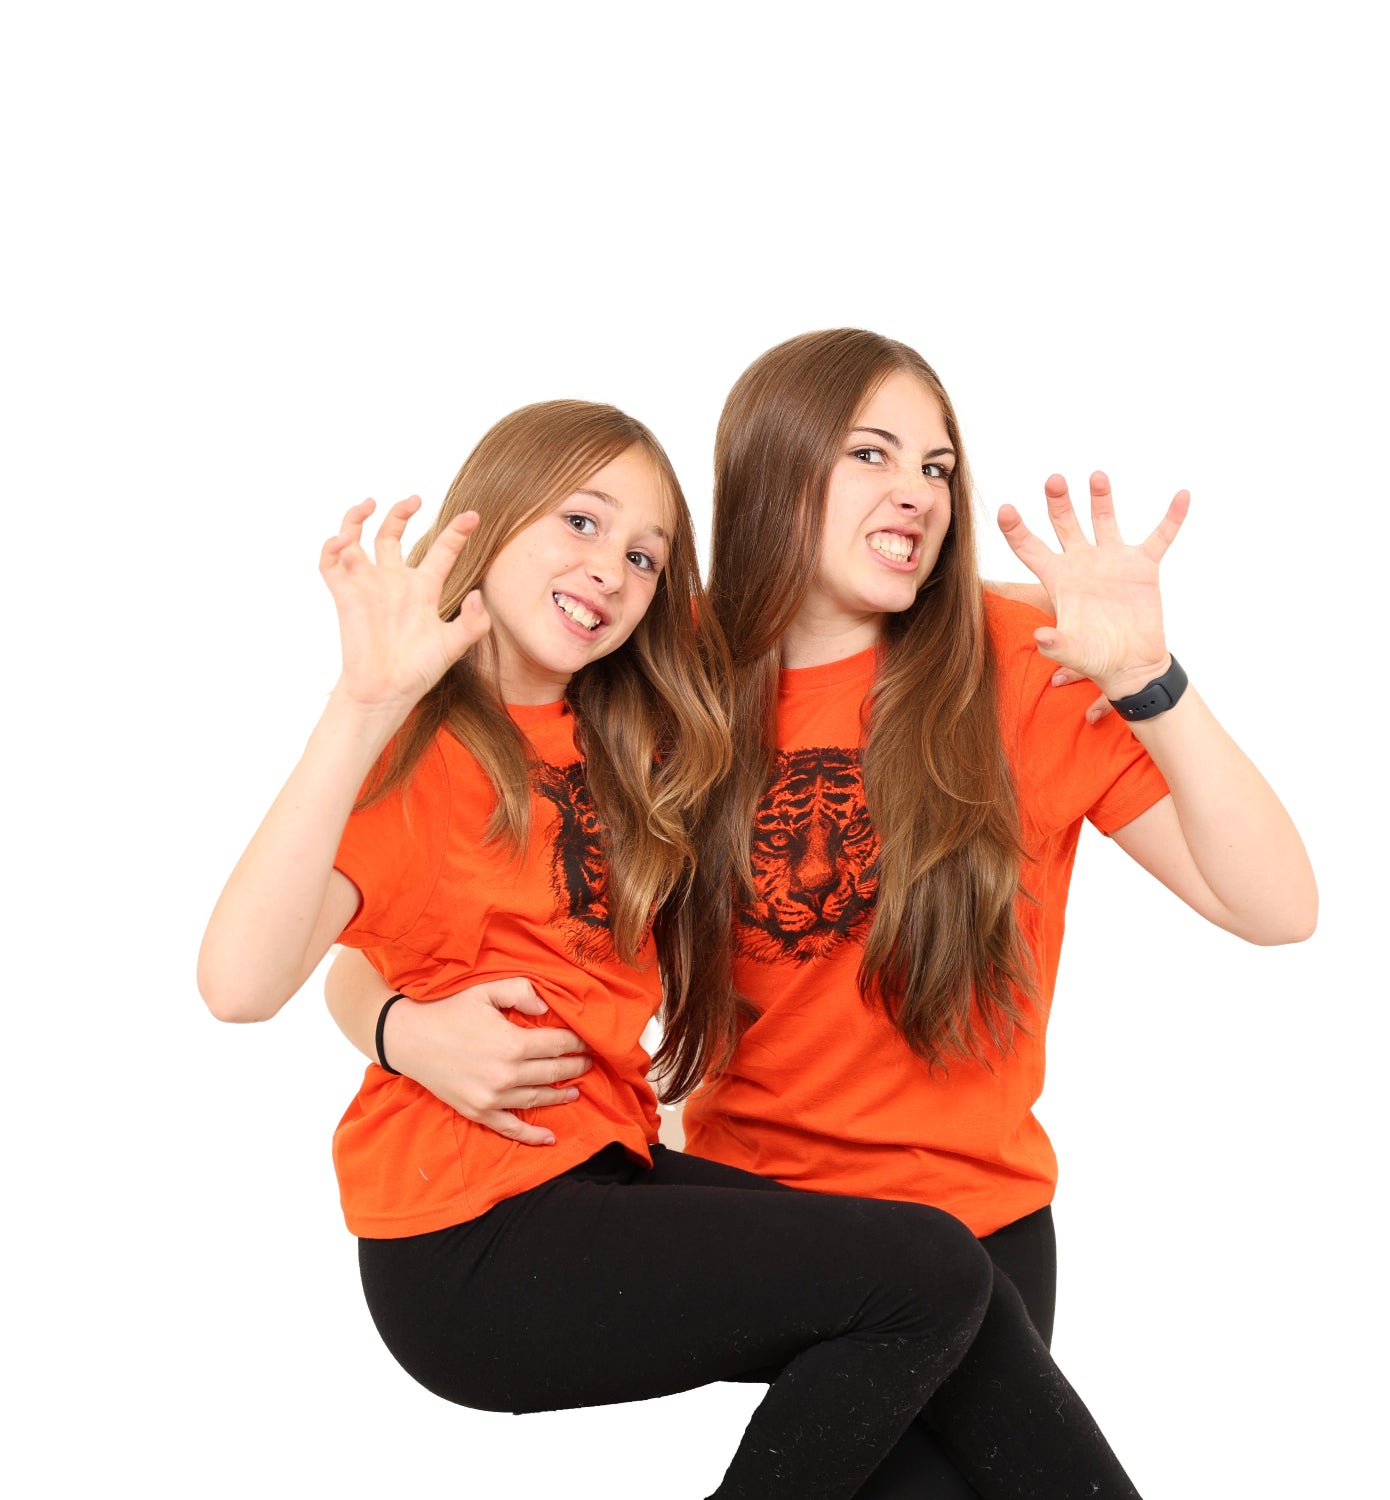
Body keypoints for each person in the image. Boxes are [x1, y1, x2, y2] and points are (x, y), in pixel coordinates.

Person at [327, 334, 1317, 1495]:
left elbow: (1277, 907)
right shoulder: (661, 668)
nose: (917, 491)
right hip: (756, 1224)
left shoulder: (1028, 666)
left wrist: (1150, 679)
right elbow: (397, 927)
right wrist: (401, 1029)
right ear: (776, 469)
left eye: (939, 468)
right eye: (872, 453)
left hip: (974, 1230)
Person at [198, 398, 1017, 1500]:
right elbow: (243, 984)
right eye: (581, 525)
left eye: (645, 555)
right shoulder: (412, 752)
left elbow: (819, 617)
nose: (612, 570)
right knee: (924, 1276)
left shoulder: (628, 737)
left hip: (601, 1180)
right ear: (488, 524)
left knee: (961, 1287)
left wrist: (1063, 622)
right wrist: (361, 706)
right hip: (470, 1238)